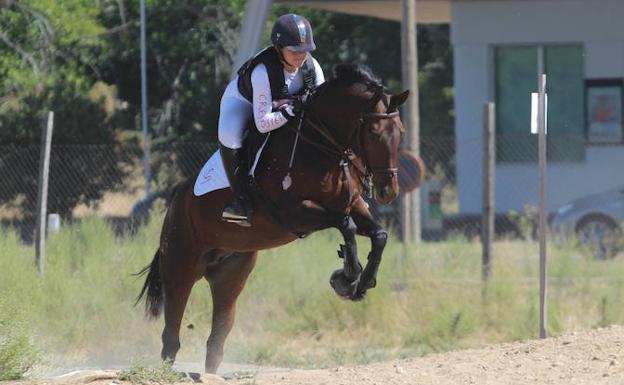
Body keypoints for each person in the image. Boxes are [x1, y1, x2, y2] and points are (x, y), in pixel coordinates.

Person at [217, 14, 325, 227]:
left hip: (279, 105)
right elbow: (263, 123)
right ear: (279, 48)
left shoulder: (312, 68)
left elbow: (322, 110)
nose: (300, 56)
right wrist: (291, 110)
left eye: (304, 50)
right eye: (294, 50)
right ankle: (239, 200)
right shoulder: (262, 71)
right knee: (231, 135)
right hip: (243, 103)